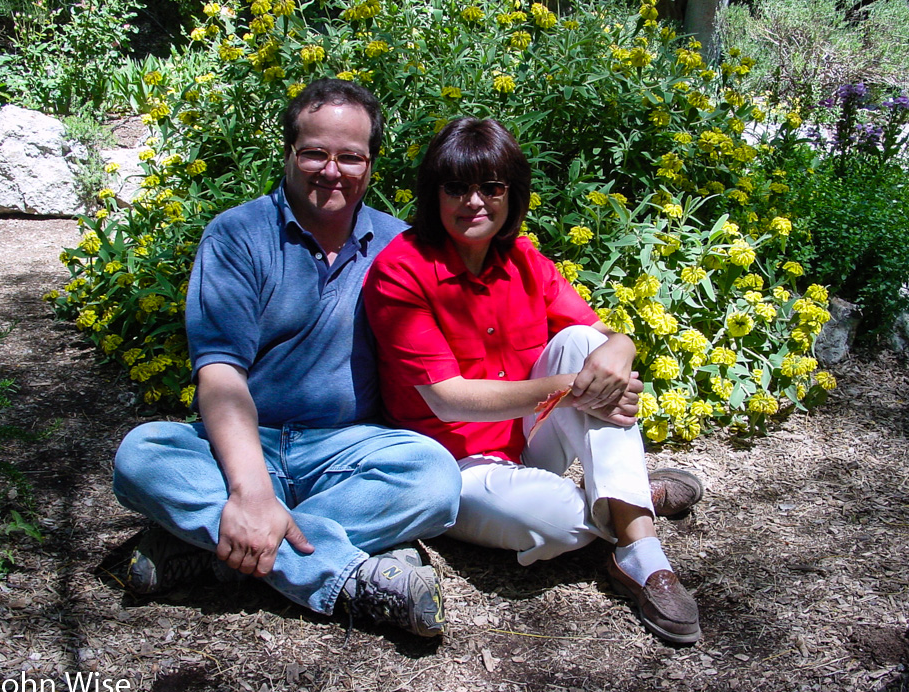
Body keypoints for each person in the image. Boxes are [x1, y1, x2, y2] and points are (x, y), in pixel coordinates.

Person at [112, 79, 462, 638]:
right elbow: (221, 374)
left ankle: (214, 550)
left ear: (370, 163)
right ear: (288, 153)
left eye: (350, 156)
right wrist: (251, 489)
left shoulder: (401, 246)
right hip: (247, 445)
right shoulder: (236, 236)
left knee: (436, 477)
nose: (332, 170)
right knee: (142, 454)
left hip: (347, 450)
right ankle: (349, 575)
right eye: (315, 153)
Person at [363, 117, 704, 645]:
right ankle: (628, 495)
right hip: (450, 466)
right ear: (434, 195)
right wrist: (572, 388)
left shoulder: (524, 260)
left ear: (511, 195)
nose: (474, 202)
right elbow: (449, 401)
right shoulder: (400, 271)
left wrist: (622, 346)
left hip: (523, 442)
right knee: (563, 523)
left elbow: (599, 335)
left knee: (585, 346)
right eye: (456, 187)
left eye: (491, 187)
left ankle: (642, 554)